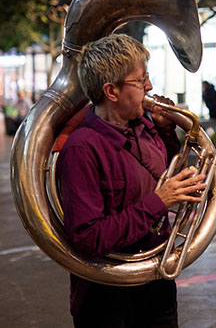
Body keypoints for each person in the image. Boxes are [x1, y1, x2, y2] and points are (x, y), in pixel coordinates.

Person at [57, 34, 207, 328]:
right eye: (141, 81)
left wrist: (166, 133)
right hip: (107, 295)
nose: (149, 87)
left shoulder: (146, 128)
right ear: (111, 91)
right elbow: (87, 239)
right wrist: (159, 201)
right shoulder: (82, 148)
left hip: (156, 280)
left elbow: (163, 174)